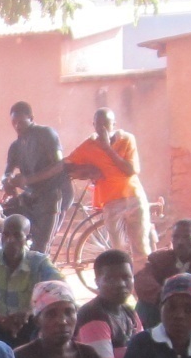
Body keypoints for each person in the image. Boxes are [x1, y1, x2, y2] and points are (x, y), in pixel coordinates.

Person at [64, 107, 151, 257]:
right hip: (111, 202)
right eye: (98, 124)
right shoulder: (89, 146)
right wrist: (87, 170)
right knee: (118, 250)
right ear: (94, 125)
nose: (102, 128)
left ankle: (142, 272)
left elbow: (131, 170)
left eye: (106, 124)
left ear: (114, 124)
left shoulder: (127, 139)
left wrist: (107, 148)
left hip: (135, 198)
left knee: (141, 248)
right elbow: (67, 164)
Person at [135, 219, 191, 334]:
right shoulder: (159, 258)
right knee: (143, 305)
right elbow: (142, 280)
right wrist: (164, 293)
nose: (180, 242)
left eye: (186, 237)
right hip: (165, 308)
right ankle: (145, 337)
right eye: (176, 237)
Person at [1, 102, 72, 250]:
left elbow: (59, 165)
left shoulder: (46, 134)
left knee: (41, 245)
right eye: (14, 122)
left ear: (31, 118)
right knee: (5, 218)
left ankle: (41, 255)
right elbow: (7, 171)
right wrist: (6, 181)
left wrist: (28, 179)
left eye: (21, 122)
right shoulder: (16, 146)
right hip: (33, 195)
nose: (17, 126)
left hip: (54, 192)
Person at [0, 213, 57, 342]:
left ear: (28, 238)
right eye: (6, 234)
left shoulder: (39, 262)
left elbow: (60, 288)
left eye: (17, 235)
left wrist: (31, 312)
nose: (10, 240)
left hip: (28, 328)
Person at [75, 248, 141, 358]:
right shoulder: (93, 316)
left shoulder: (128, 311)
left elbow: (144, 352)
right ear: (97, 282)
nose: (120, 284)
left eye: (126, 277)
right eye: (110, 278)